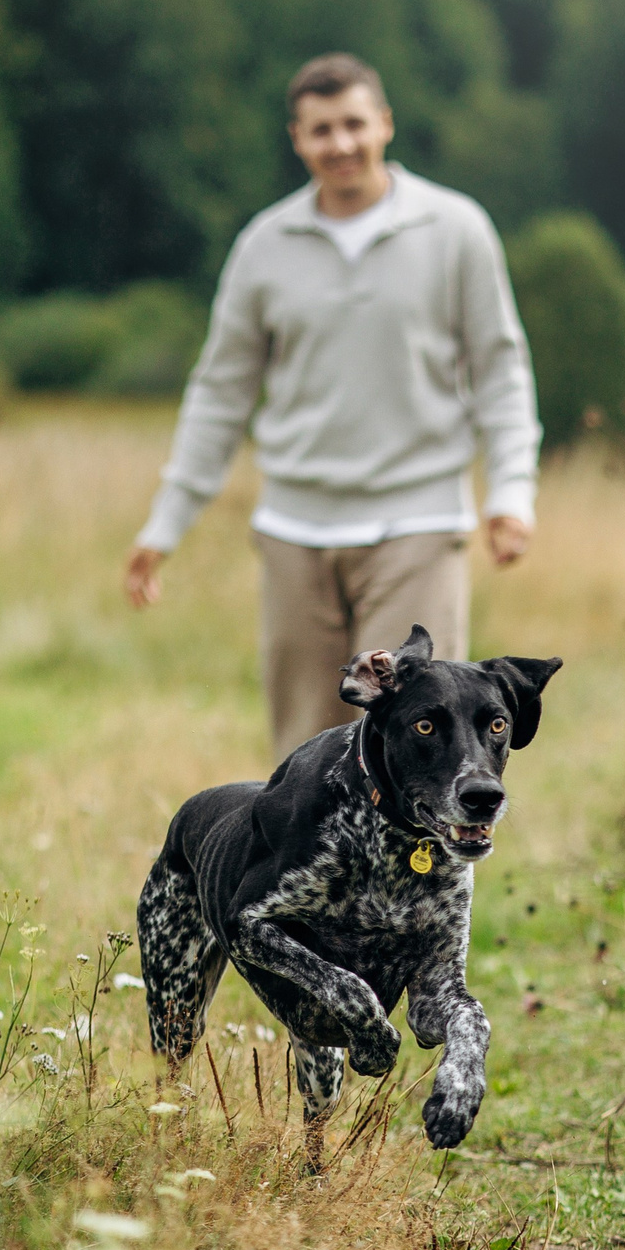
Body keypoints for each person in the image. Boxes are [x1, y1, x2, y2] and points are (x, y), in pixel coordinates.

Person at [123, 52, 540, 762]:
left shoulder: (455, 229)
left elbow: (501, 369)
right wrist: (165, 524)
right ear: (297, 138)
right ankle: (308, 878)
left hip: (417, 521)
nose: (340, 144)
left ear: (384, 123)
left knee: (421, 744)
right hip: (296, 529)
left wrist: (511, 493)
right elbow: (221, 392)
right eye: (322, 130)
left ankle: (425, 878)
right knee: (306, 754)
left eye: (354, 123)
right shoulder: (264, 246)